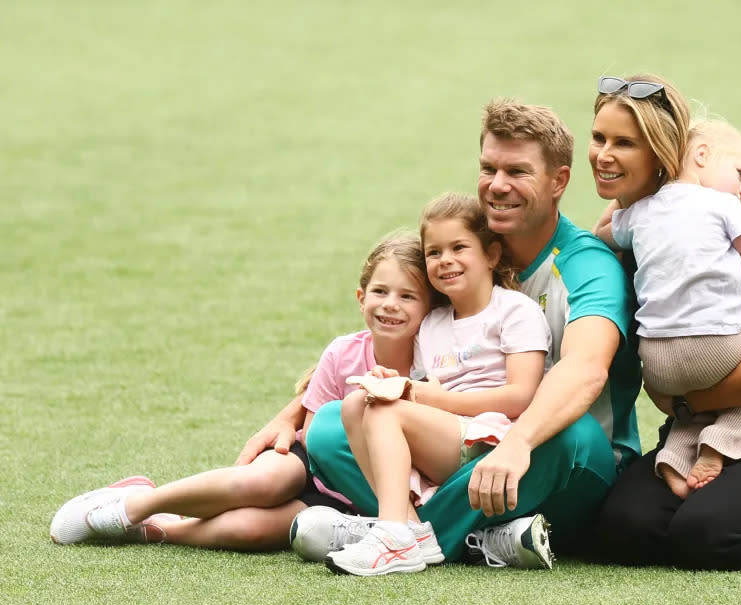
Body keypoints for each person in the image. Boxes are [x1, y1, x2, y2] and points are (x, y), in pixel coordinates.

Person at [245, 98, 645, 564]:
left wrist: (517, 443)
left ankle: (399, 530)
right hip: (464, 443)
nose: (497, 186)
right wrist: (298, 408)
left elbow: (584, 371)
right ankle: (473, 539)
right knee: (333, 423)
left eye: (517, 171)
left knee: (570, 437)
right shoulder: (460, 253)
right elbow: (399, 342)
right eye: (488, 168)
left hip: (557, 458)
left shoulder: (585, 266)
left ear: (558, 182)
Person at [586, 73, 741, 569]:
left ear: (663, 151)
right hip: (692, 420)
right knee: (623, 530)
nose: (604, 154)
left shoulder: (719, 237)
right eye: (599, 139)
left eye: (625, 143)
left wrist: (684, 398)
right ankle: (705, 483)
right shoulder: (638, 229)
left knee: (705, 535)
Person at [49, 234, 433, 550]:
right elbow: (319, 438)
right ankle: (134, 504)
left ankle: (156, 527)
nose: (390, 306)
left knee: (250, 531)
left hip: (365, 499)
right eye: (380, 292)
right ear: (361, 297)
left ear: (430, 307)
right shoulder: (344, 351)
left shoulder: (432, 363)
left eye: (407, 296)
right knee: (263, 482)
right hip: (316, 467)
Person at [324, 193, 552, 576]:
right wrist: (392, 383)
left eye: (459, 247)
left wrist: (429, 398)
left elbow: (522, 396)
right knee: (355, 405)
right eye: (434, 252)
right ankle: (407, 531)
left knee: (384, 413)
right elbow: (419, 388)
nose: (445, 259)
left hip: (493, 437)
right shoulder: (432, 325)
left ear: (491, 256)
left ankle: (394, 534)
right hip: (447, 435)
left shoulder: (514, 310)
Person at [594, 115, 741, 499]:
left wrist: (625, 198)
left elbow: (603, 235)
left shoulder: (640, 212)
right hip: (714, 348)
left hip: (656, 363)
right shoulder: (721, 206)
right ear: (701, 155)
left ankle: (674, 457)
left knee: (694, 408)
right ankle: (720, 443)